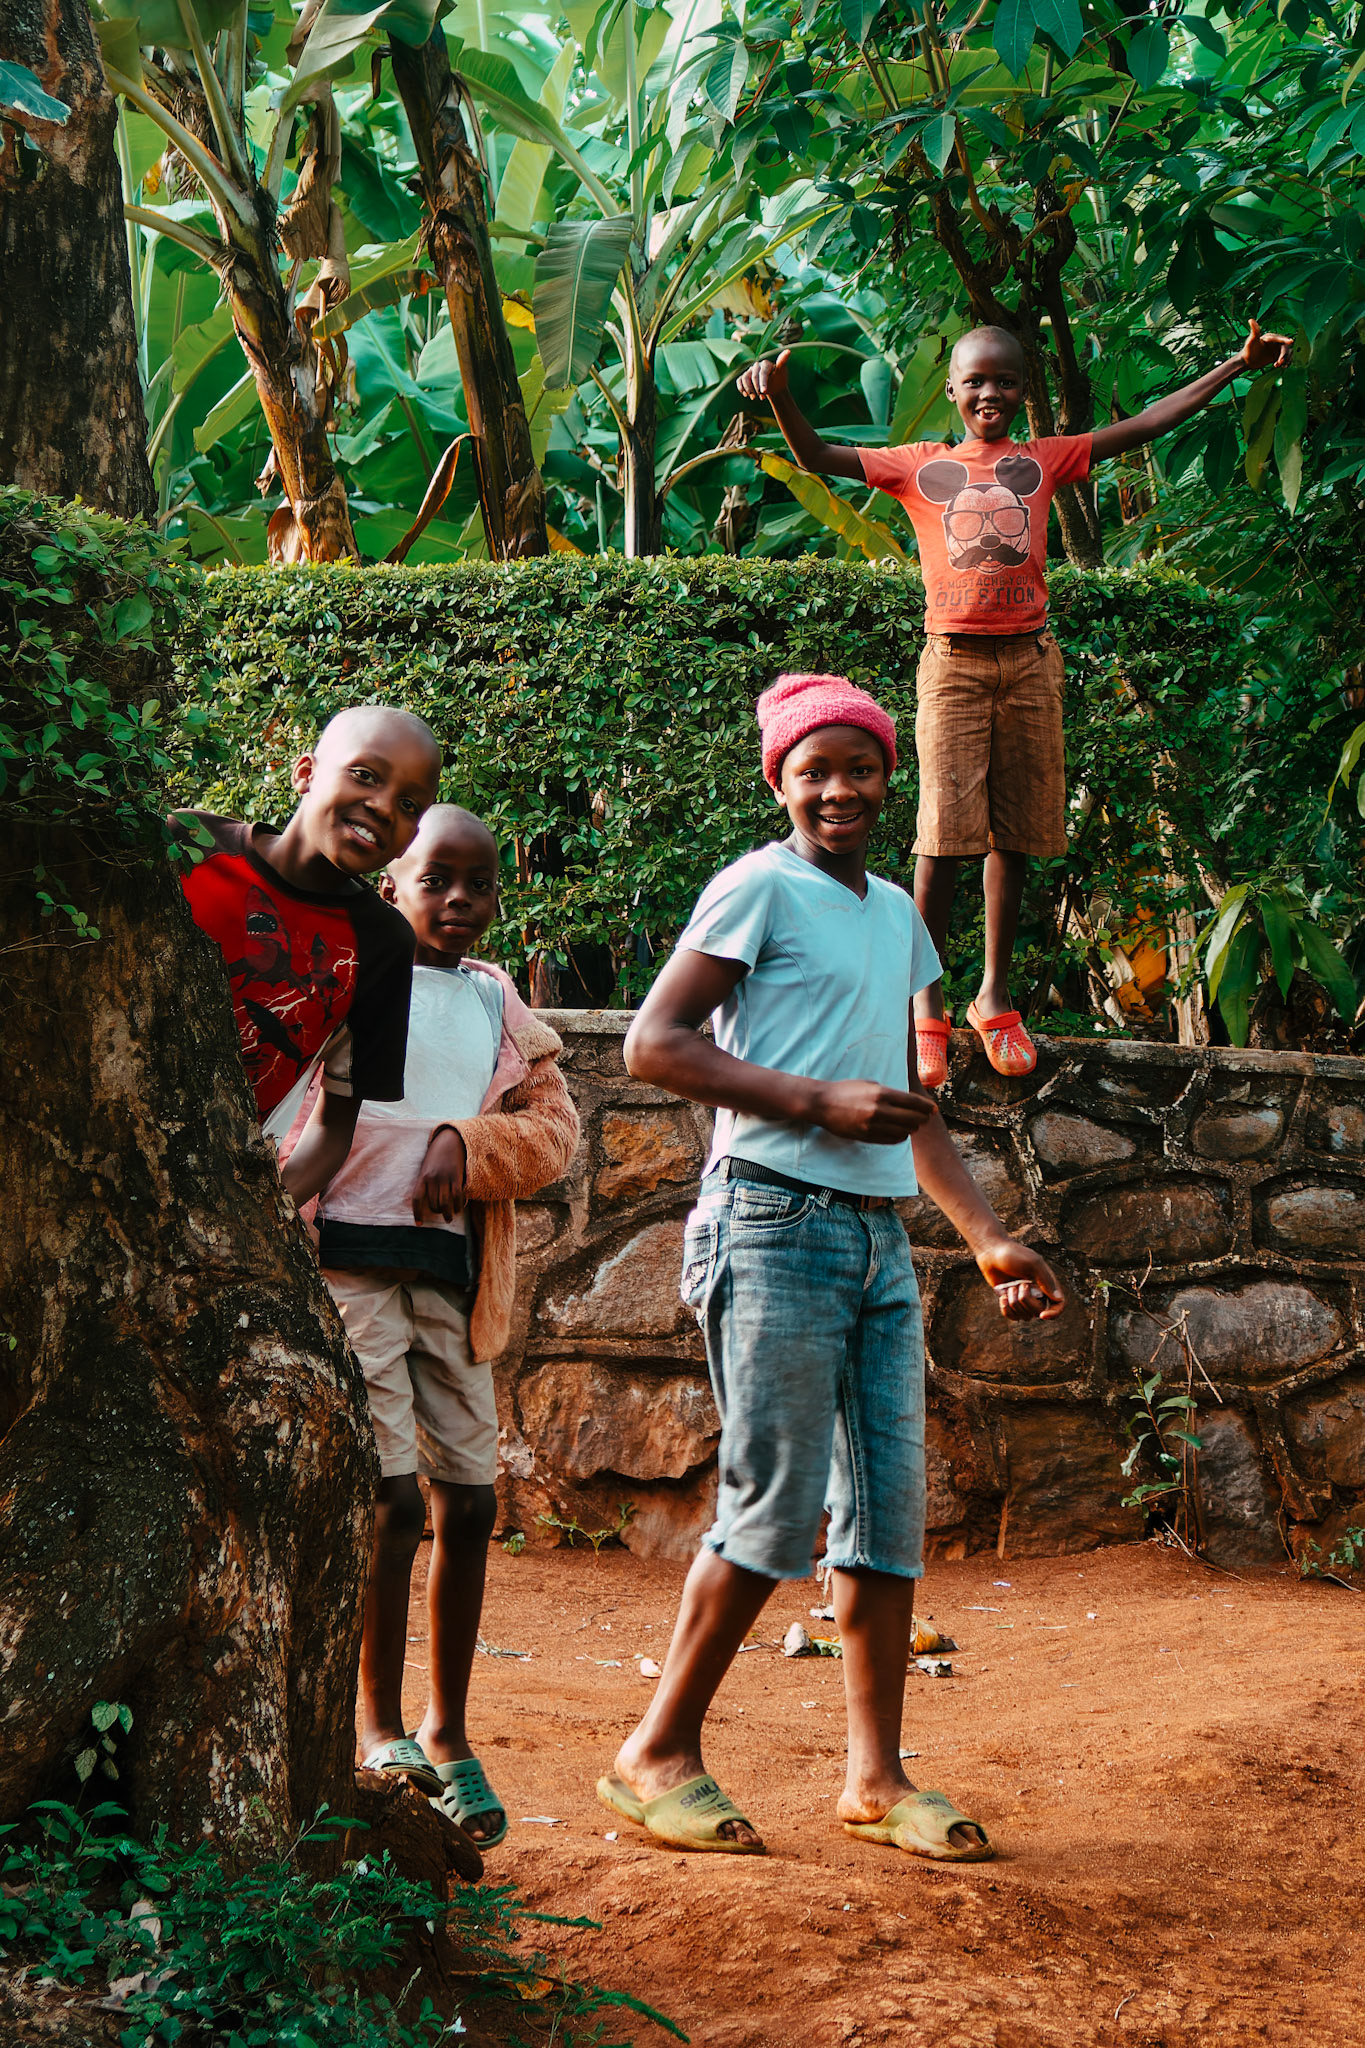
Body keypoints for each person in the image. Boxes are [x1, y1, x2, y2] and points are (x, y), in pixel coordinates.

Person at [600, 671, 1064, 1863]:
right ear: (781, 781)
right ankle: (657, 1751)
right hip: (768, 1218)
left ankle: (876, 1776)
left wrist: (984, 1232)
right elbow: (655, 1042)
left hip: (875, 1240)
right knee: (773, 1505)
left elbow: (910, 1112)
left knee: (887, 1515)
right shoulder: (759, 886)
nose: (840, 787)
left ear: (887, 774)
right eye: (816, 769)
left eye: (860, 765)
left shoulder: (898, 919)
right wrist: (813, 1099)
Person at [737, 319, 1292, 1087]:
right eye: (974, 381)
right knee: (940, 841)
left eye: (1003, 380)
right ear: (954, 390)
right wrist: (782, 399)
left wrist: (1236, 363)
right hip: (954, 665)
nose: (989, 393)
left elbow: (1145, 423)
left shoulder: (1041, 460)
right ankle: (921, 1006)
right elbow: (818, 456)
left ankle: (991, 998)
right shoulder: (918, 466)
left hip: (1030, 663)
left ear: (1021, 390)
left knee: (1018, 836)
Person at [304, 804, 580, 1842]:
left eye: (480, 884)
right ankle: (380, 1725)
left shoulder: (499, 1004)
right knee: (388, 1501)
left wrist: (471, 1137)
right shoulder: (345, 976)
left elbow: (553, 1134)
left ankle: (449, 1727)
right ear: (392, 885)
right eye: (437, 881)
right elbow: (293, 1102)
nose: (460, 901)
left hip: (454, 1283)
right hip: (348, 1273)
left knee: (466, 1503)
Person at [174, 704, 442, 1203]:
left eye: (409, 806)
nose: (383, 806)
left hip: (205, 1191)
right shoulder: (190, 846)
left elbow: (334, 1127)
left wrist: (255, 1217)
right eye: (365, 775)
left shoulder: (384, 943)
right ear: (306, 772)